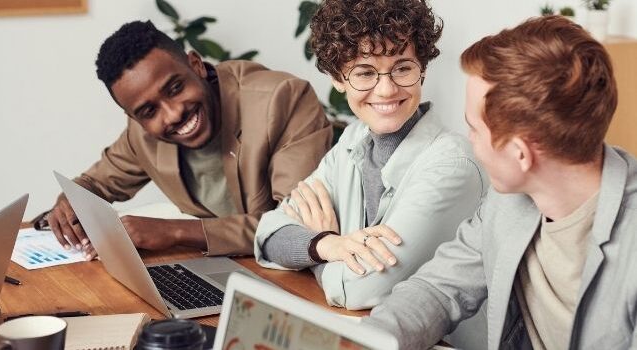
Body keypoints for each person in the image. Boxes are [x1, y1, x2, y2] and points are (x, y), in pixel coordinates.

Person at [362, 15, 637, 349]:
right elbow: (436, 290)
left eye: (474, 129)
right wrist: (364, 341)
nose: (469, 141)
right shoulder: (507, 201)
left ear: (521, 154)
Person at [254, 0, 484, 311]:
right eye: (364, 73)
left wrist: (313, 252)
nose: (387, 90)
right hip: (362, 332)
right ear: (337, 78)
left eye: (402, 68)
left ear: (423, 70)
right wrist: (325, 243)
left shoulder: (453, 166)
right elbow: (268, 235)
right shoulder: (353, 139)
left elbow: (360, 290)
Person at [42, 20, 332, 259]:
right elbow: (93, 185)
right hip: (228, 269)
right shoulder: (140, 135)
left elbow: (293, 226)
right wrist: (69, 202)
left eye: (175, 87)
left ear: (196, 65)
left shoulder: (283, 99)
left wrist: (174, 232)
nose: (172, 114)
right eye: (148, 111)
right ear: (135, 118)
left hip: (298, 273)